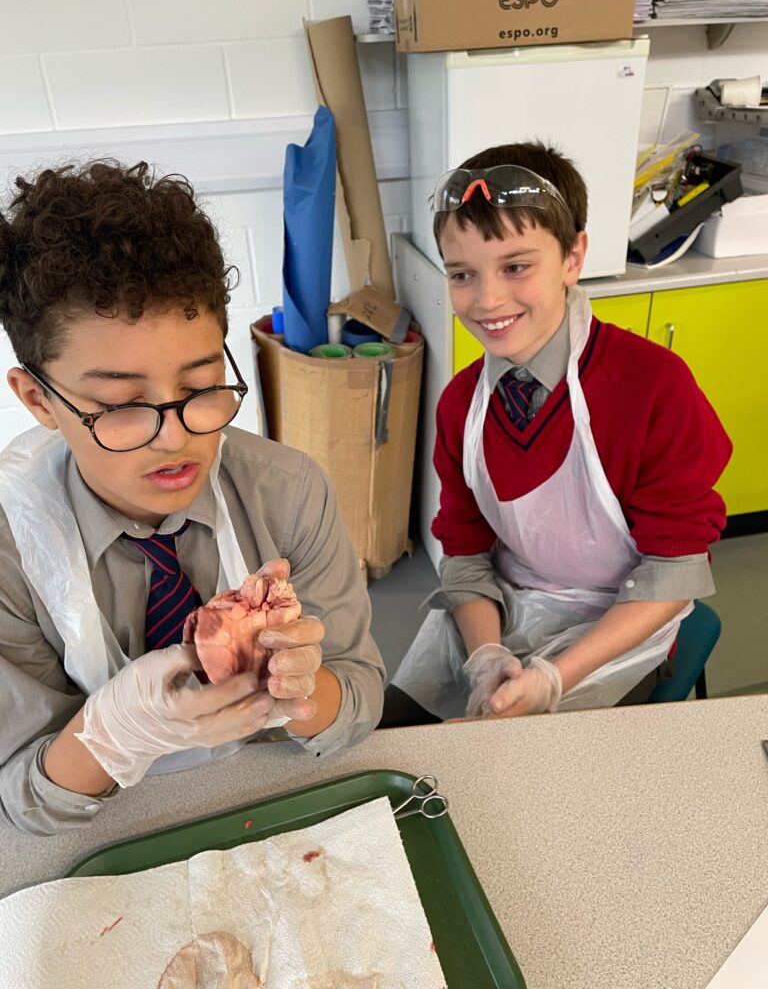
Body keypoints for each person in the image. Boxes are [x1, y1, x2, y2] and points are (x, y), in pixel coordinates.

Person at [0, 160, 384, 834]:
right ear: (39, 399)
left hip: (274, 807)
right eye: (122, 404)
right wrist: (111, 729)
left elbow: (358, 700)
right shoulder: (13, 553)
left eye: (202, 385)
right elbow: (24, 798)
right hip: (109, 830)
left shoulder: (287, 494)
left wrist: (302, 689)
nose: (175, 437)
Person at [382, 142, 731, 726]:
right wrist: (488, 654)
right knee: (405, 744)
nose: (487, 300)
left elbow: (672, 569)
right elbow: (465, 551)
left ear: (573, 257)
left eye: (516, 266)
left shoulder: (652, 387)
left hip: (622, 622)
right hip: (498, 614)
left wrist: (553, 677)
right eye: (463, 274)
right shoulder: (461, 406)